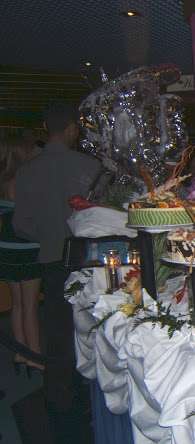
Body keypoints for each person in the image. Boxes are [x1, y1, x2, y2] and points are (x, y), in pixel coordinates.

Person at [13, 100, 101, 411]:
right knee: (95, 326)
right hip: (88, 259)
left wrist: (48, 235)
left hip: (51, 258)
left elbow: (21, 225)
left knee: (58, 329)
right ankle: (97, 394)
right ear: (71, 129)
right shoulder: (89, 167)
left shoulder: (26, 172)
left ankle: (61, 397)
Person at [0, 134, 43, 376]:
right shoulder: (23, 180)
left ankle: (20, 354)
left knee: (17, 304)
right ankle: (35, 357)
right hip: (27, 247)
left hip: (6, 247)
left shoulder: (3, 181)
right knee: (30, 305)